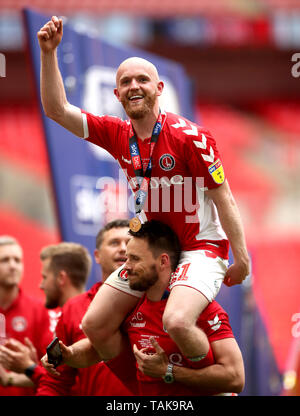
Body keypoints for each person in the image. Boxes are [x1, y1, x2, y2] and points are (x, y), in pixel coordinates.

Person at [37, 16, 250, 366]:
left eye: (142, 79)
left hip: (200, 249)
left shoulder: (191, 137)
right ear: (117, 93)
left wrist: (240, 257)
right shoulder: (118, 134)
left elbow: (223, 196)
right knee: (95, 323)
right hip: (153, 251)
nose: (134, 86)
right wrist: (49, 53)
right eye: (126, 82)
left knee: (177, 321)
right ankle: (141, 386)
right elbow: (57, 110)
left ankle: (204, 382)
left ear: (160, 88)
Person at [46, 220, 244, 396]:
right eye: (127, 258)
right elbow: (95, 349)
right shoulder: (132, 308)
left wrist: (168, 371)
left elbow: (235, 378)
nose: (126, 266)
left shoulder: (197, 309)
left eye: (135, 259)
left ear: (163, 261)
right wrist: (69, 354)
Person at [0, 221, 135, 395]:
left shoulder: (152, 300)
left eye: (129, 243)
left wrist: (28, 369)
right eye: (114, 242)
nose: (123, 248)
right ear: (97, 255)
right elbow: (55, 381)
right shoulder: (73, 308)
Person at [0, 236, 53, 396]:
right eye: (5, 260)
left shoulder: (38, 309)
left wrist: (28, 366)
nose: (13, 266)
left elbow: (52, 371)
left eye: (17, 260)